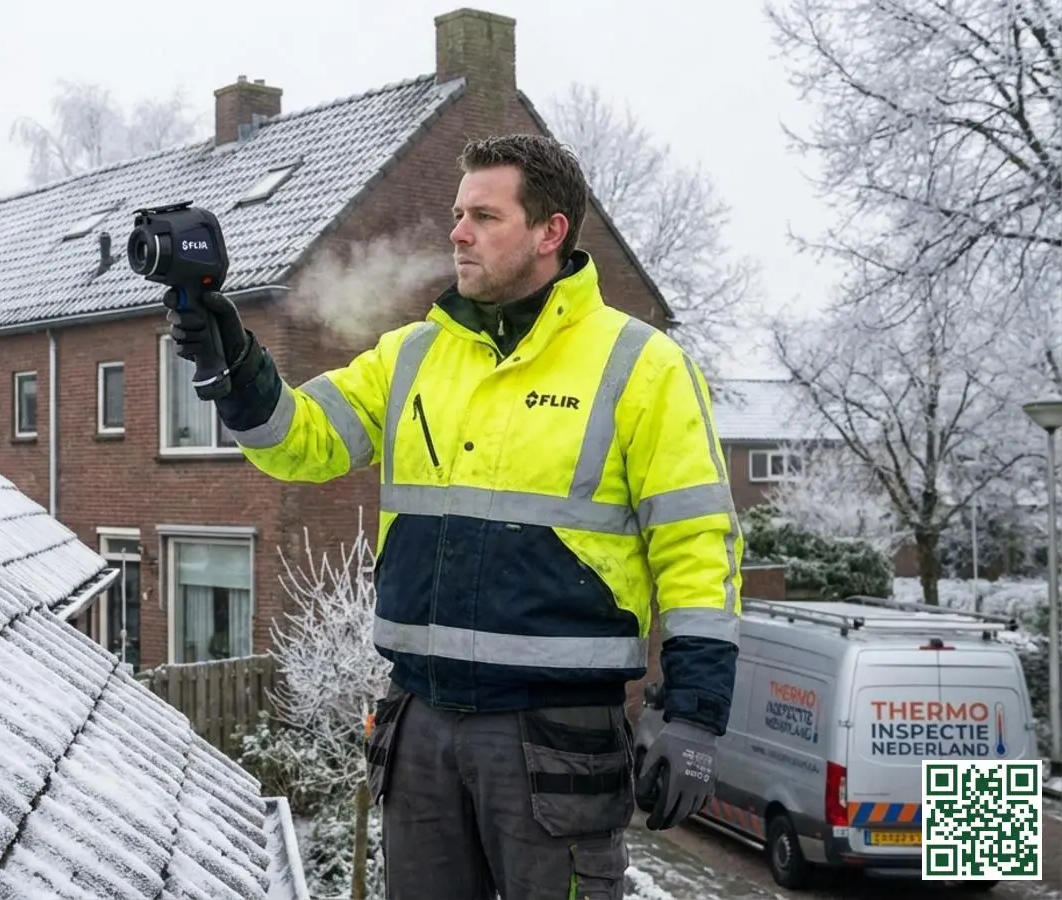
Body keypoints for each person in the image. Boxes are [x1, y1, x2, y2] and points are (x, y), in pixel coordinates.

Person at [168, 133, 743, 900]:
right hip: (420, 725)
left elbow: (696, 544)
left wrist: (695, 714)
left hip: (555, 742)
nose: (458, 232)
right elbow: (298, 440)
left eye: (483, 215)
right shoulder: (412, 356)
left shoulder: (642, 366)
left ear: (550, 232)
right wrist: (235, 361)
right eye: (456, 213)